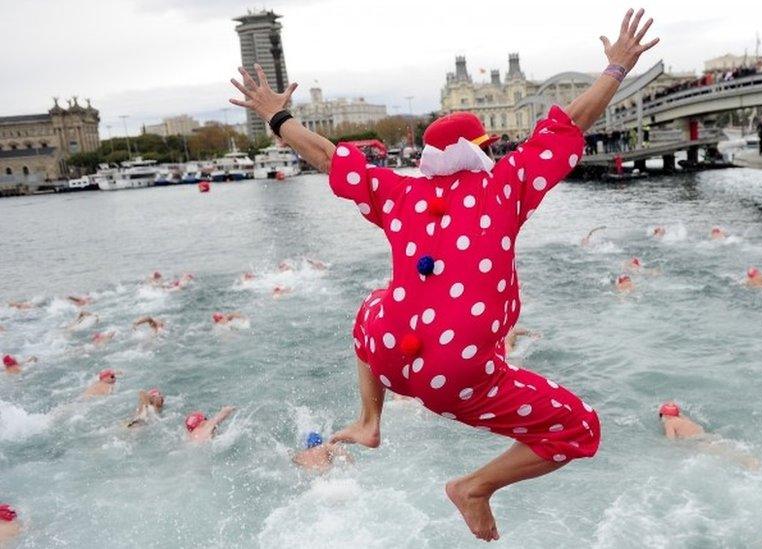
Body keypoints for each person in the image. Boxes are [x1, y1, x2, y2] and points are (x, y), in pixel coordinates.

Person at [228, 7, 658, 541]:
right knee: (577, 428)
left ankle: (369, 420)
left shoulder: (400, 193)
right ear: (481, 153)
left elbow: (328, 156)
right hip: (456, 374)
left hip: (391, 351)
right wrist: (615, 69)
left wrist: (277, 117)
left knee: (370, 306)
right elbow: (570, 123)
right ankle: (474, 487)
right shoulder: (503, 187)